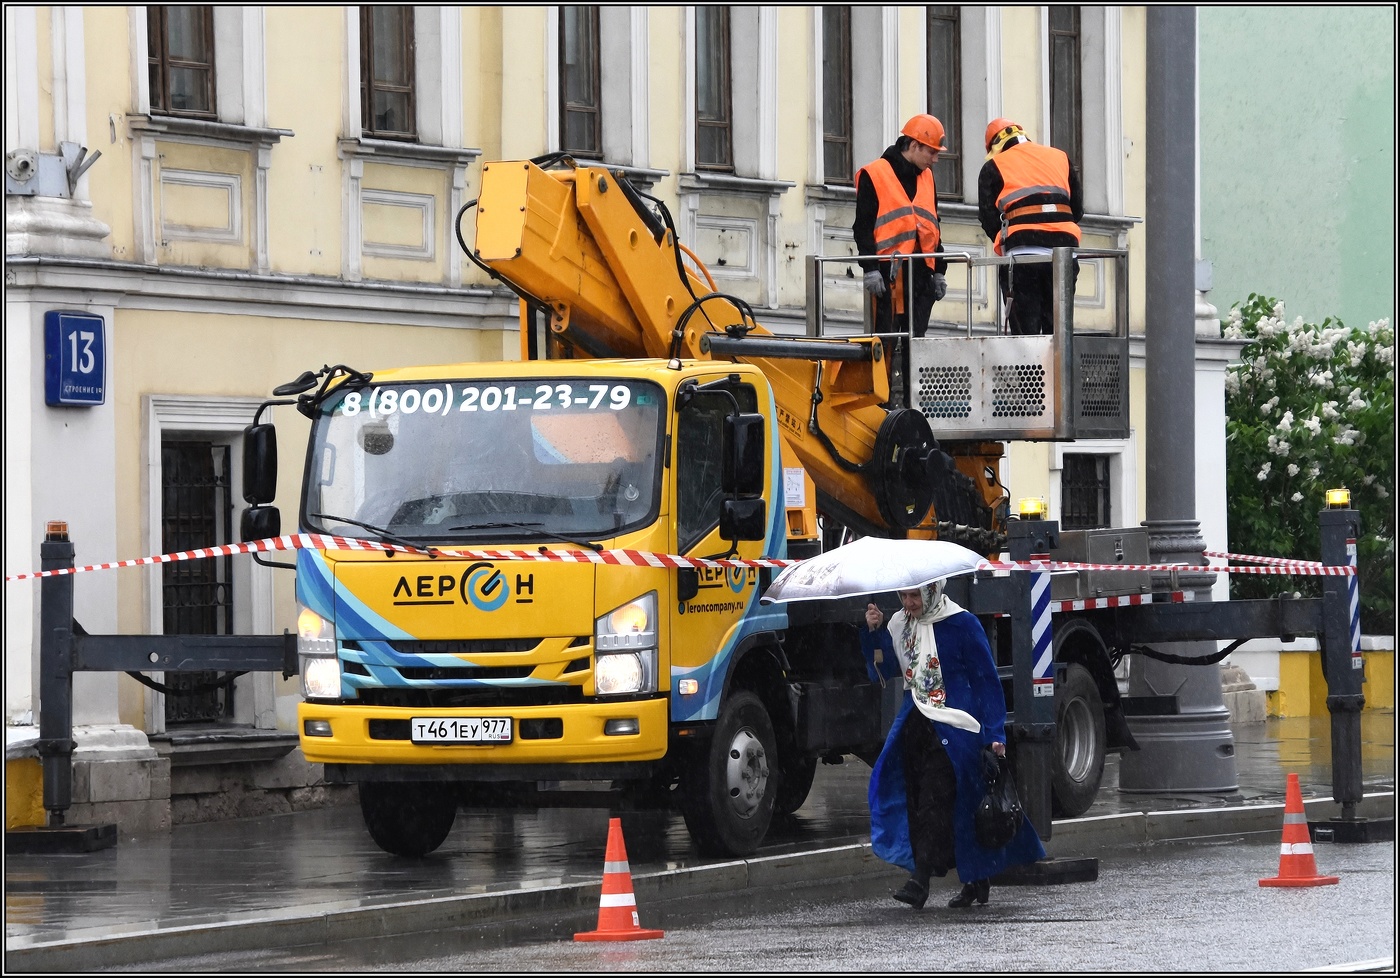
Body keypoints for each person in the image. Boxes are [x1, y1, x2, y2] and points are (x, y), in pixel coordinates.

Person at [859, 580, 1045, 909]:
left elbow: (985, 680)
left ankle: (920, 879)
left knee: (934, 801)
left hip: (957, 728)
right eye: (904, 595)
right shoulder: (899, 623)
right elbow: (885, 671)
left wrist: (995, 733)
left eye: (915, 595)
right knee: (925, 803)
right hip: (916, 726)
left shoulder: (962, 623)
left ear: (932, 590)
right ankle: (977, 878)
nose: (909, 602)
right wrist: (874, 633)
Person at [977, 118, 1084, 335]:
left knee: (1026, 338)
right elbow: (1077, 210)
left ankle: (1030, 357)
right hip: (1063, 256)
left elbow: (988, 218)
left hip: (1023, 257)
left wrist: (1010, 236)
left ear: (994, 147)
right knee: (1059, 335)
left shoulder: (994, 166)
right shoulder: (1059, 157)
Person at [853, 114, 950, 339]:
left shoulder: (927, 177)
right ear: (914, 145)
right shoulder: (875, 174)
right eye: (932, 152)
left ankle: (909, 365)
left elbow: (933, 228)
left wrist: (939, 270)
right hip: (888, 275)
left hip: (921, 275)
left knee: (915, 344)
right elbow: (863, 227)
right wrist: (870, 269)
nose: (935, 160)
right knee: (885, 341)